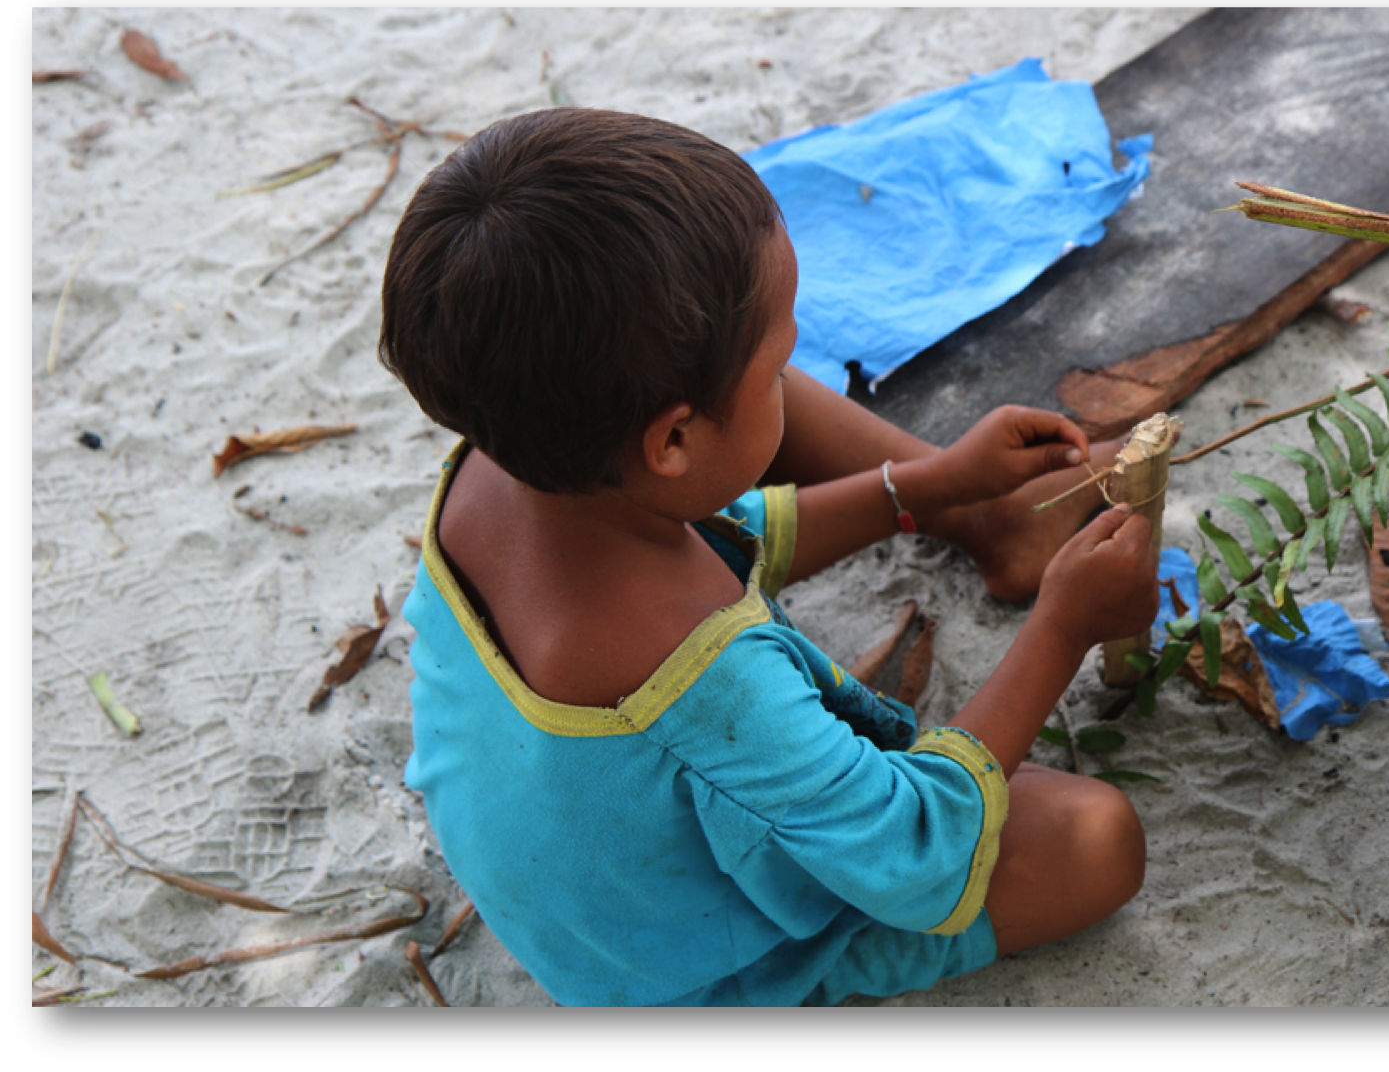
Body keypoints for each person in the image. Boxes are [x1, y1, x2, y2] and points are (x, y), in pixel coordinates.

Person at [379, 107, 1161, 1007]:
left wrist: (931, 484)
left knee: (722, 351)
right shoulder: (704, 678)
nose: (793, 362)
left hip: (564, 857)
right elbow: (915, 853)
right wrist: (1062, 626)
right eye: (784, 353)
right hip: (678, 971)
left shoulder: (497, 465)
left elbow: (720, 528)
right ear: (671, 441)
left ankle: (987, 518)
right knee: (1094, 836)